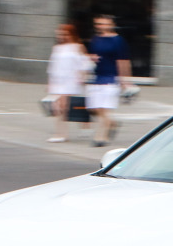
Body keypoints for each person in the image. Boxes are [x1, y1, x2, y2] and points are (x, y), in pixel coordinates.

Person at [85, 14, 133, 147]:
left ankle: (102, 137)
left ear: (111, 25)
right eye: (98, 24)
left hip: (111, 78)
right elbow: (91, 55)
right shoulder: (95, 39)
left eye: (103, 24)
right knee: (94, 108)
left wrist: (125, 80)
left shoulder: (118, 41)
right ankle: (112, 123)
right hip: (97, 77)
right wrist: (91, 58)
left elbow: (123, 61)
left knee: (104, 109)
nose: (100, 26)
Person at [46, 23, 91, 142]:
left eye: (64, 34)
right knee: (57, 108)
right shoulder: (57, 48)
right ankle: (61, 133)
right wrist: (49, 83)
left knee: (64, 107)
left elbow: (85, 63)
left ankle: (64, 133)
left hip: (71, 80)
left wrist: (82, 76)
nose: (61, 36)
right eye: (59, 34)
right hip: (58, 81)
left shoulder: (77, 47)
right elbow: (52, 66)